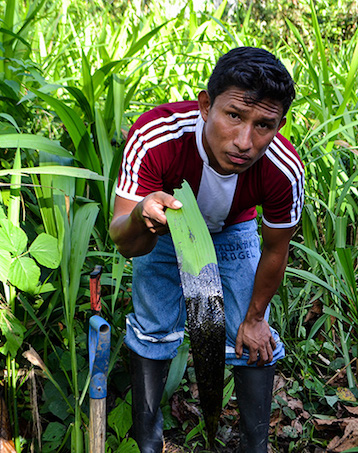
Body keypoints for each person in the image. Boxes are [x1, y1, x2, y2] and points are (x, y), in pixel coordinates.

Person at [109, 46, 304, 453]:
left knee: (251, 338)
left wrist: (253, 318)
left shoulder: (283, 169)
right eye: (233, 116)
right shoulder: (156, 136)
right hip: (166, 226)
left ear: (280, 124)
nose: (245, 141)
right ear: (205, 105)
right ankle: (148, 438)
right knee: (154, 327)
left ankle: (255, 445)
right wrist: (142, 216)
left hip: (235, 230)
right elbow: (122, 238)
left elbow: (275, 249)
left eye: (264, 125)